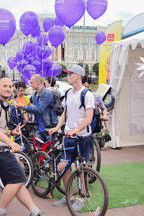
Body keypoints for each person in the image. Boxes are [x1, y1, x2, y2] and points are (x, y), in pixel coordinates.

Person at [0, 78, 44, 216]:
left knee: (16, 180)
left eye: (9, 86)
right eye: (4, 86)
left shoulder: (4, 104)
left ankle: (34, 211)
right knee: (19, 178)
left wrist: (10, 132)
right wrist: (10, 141)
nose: (8, 89)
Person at [49, 65, 95, 211]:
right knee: (63, 166)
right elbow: (65, 113)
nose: (67, 76)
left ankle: (81, 198)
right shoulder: (68, 93)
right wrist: (57, 128)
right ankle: (68, 196)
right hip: (69, 137)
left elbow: (89, 118)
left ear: (78, 76)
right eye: (67, 74)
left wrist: (76, 130)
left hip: (83, 137)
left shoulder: (87, 94)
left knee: (81, 167)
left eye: (70, 74)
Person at [16, 74, 58, 143]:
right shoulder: (35, 94)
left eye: (32, 82)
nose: (30, 84)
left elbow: (39, 109)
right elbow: (34, 109)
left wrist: (23, 106)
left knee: (51, 151)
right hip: (38, 128)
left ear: (38, 82)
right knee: (39, 151)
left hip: (48, 127)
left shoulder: (46, 93)